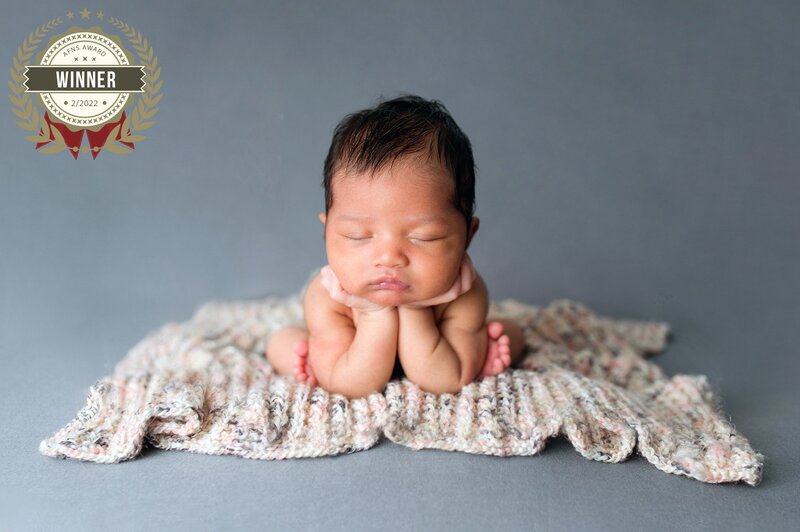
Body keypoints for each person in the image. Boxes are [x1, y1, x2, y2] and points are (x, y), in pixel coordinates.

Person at [266, 94, 525, 399]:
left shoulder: (464, 294)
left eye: (424, 237)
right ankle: (314, 359)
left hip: (441, 347)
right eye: (358, 235)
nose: (389, 258)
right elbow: (349, 384)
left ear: (468, 235)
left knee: (514, 333)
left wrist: (416, 309)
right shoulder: (329, 297)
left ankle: (481, 347)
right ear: (327, 233)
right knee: (282, 342)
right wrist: (375, 313)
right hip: (349, 354)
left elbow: (445, 380)